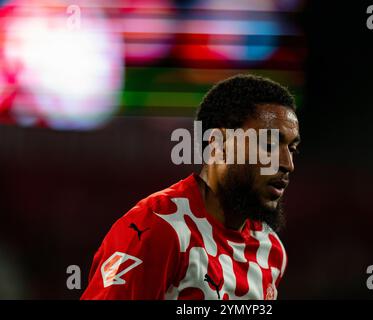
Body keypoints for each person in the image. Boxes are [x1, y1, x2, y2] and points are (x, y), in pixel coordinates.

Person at [81, 74, 301, 300]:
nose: (287, 164)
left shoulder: (271, 251)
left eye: (292, 149)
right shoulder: (157, 229)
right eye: (269, 145)